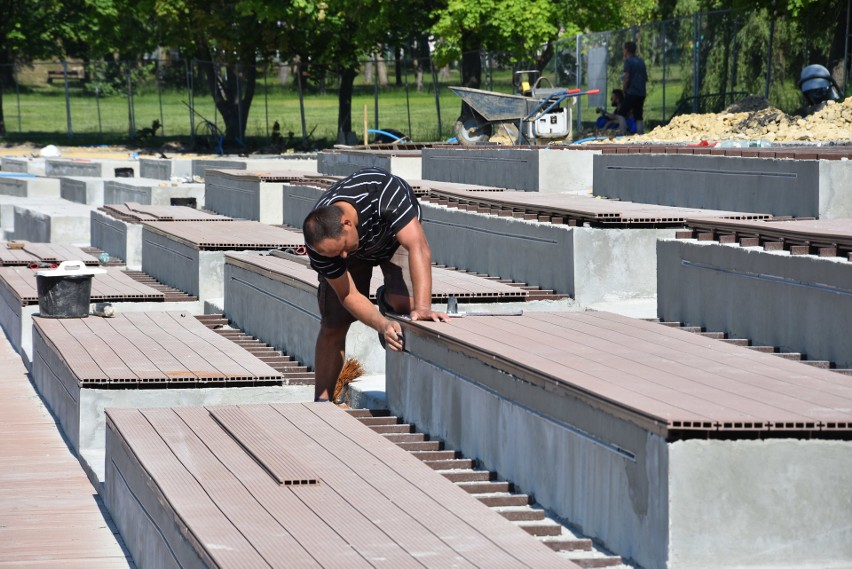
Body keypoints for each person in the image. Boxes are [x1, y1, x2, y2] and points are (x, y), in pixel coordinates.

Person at [302, 167, 450, 402]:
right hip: (359, 250)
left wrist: (423, 308)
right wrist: (382, 325)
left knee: (407, 305)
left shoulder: (383, 193)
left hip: (393, 240)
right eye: (334, 254)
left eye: (341, 248)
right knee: (333, 323)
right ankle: (322, 400)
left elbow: (418, 246)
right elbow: (348, 295)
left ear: (347, 223)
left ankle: (386, 298)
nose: (341, 256)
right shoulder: (321, 245)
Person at [617, 41, 647, 135]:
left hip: (632, 92)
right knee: (638, 114)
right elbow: (645, 77)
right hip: (641, 93)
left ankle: (623, 132)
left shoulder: (628, 61)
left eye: (624, 49)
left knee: (621, 112)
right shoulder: (641, 61)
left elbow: (627, 77)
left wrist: (624, 89)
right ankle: (640, 133)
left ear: (627, 50)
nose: (623, 51)